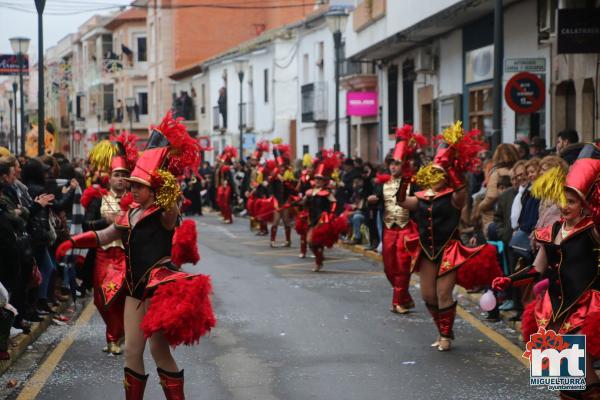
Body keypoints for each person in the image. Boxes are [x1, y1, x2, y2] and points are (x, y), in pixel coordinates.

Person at [55, 113, 215, 399]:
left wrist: (167, 188)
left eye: (139, 186)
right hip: (133, 289)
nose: (133, 189)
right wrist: (71, 242)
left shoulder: (163, 215)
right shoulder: (128, 215)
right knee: (131, 351)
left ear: (154, 189)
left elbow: (172, 208)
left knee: (158, 350)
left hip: (158, 286)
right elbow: (105, 235)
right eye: (132, 185)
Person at [493, 144, 600, 399]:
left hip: (586, 307)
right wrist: (509, 279)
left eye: (572, 201)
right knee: (564, 381)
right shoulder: (550, 232)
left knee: (580, 375)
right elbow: (536, 268)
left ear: (585, 204)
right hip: (553, 308)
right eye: (563, 200)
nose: (565, 206)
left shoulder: (593, 230)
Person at [400, 121, 501, 351]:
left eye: (440, 172)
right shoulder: (422, 196)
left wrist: (452, 168)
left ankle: (446, 335)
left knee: (444, 294)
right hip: (427, 251)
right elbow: (401, 202)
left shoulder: (454, 197)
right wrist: (405, 177)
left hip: (449, 250)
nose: (436, 175)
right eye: (433, 171)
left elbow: (462, 194)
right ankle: (442, 330)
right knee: (428, 296)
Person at [81, 133, 138, 355]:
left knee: (119, 296)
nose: (121, 179)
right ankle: (116, 333)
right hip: (103, 255)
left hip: (125, 255)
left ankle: (113, 338)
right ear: (109, 177)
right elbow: (87, 225)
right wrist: (105, 221)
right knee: (100, 298)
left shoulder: (135, 200)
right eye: (117, 175)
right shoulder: (98, 198)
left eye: (124, 175)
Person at [368, 126, 424, 314]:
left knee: (401, 266)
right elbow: (375, 203)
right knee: (389, 269)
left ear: (404, 165)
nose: (393, 166)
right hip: (388, 229)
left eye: (397, 163)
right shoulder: (382, 184)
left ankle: (397, 302)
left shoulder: (413, 183)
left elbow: (420, 205)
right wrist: (372, 201)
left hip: (406, 228)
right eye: (391, 163)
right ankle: (405, 297)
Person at [303, 150, 346, 272]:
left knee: (315, 241)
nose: (317, 181)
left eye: (320, 179)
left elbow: (334, 203)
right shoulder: (311, 191)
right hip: (312, 217)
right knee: (310, 242)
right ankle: (319, 258)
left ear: (324, 180)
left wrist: (331, 214)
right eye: (316, 178)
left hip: (322, 219)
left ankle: (318, 262)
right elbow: (305, 203)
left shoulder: (327, 192)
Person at [268, 142, 296, 248]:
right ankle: (272, 240)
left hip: (286, 200)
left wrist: (288, 182)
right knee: (275, 221)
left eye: (283, 166)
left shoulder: (289, 175)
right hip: (277, 201)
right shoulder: (274, 176)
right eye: (280, 166)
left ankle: (288, 241)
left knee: (286, 221)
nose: (282, 168)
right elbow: (269, 186)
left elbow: (293, 188)